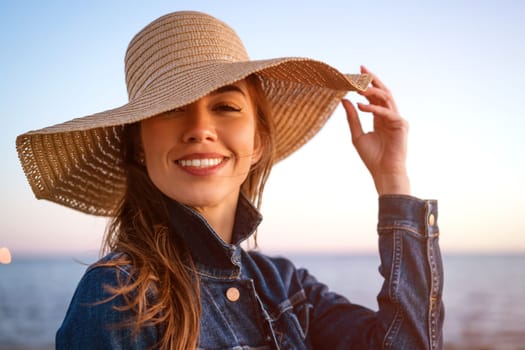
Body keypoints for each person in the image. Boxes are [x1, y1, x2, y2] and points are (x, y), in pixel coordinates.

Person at [16, 11, 444, 350]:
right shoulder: (118, 294)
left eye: (225, 106)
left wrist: (393, 181)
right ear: (139, 147)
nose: (199, 128)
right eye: (170, 108)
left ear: (257, 141)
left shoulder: (286, 287)